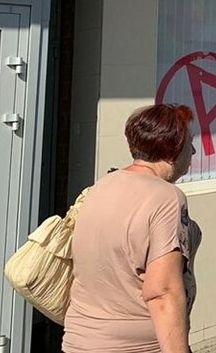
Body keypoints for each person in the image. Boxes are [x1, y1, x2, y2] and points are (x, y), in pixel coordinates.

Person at [64, 104, 200, 353]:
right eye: (189, 142)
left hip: (79, 341)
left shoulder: (102, 185)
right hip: (137, 346)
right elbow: (163, 293)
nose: (193, 150)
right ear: (173, 147)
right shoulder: (166, 197)